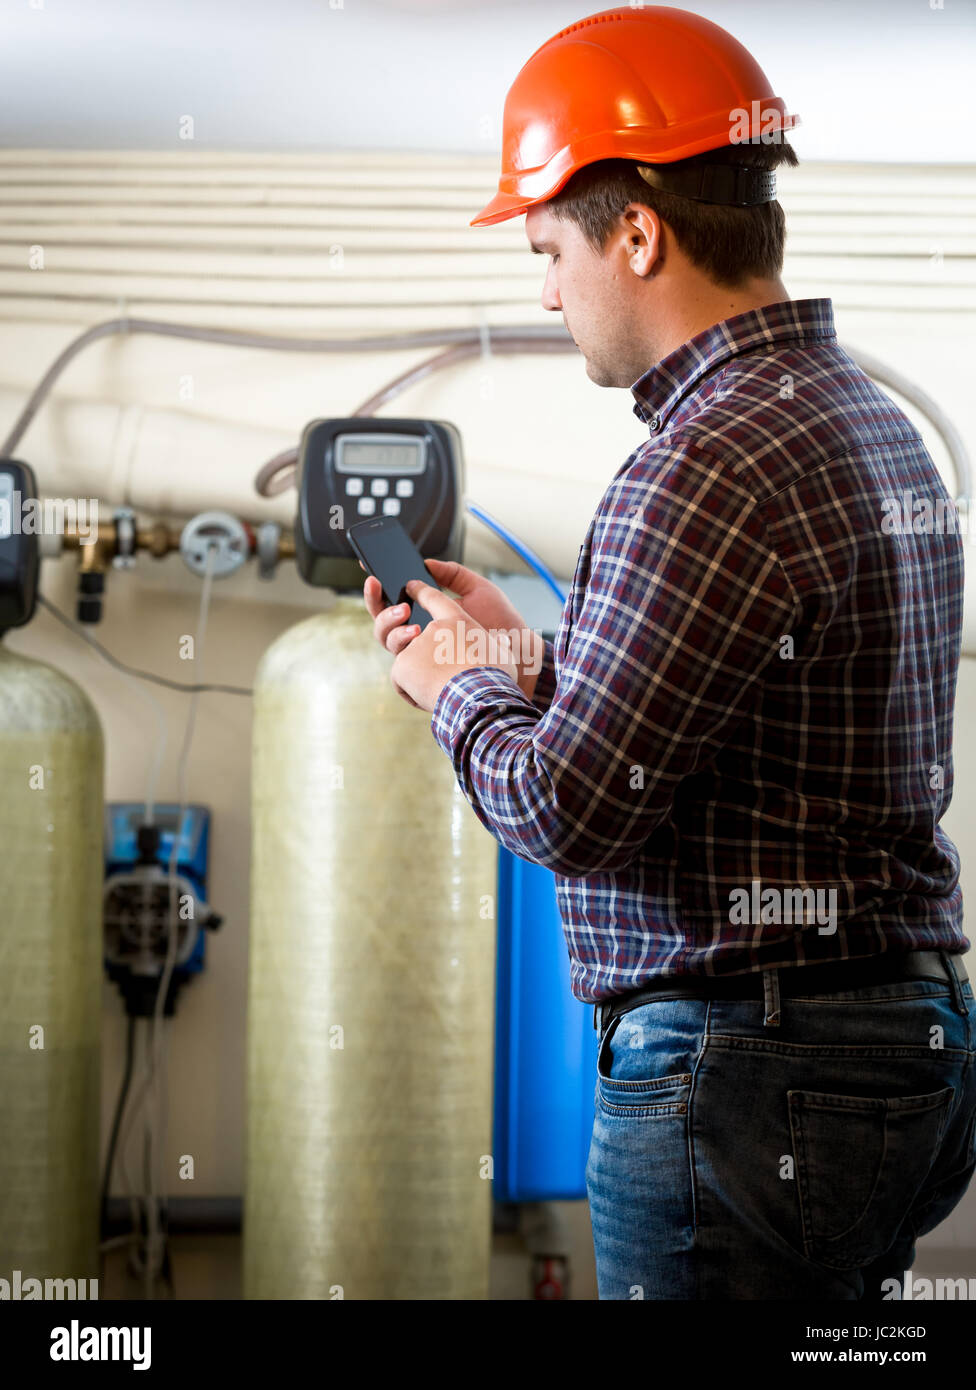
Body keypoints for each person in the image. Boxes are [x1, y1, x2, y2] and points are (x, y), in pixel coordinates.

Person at [361, 5, 975, 1300]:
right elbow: (756, 707)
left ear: (637, 230)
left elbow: (570, 807)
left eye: (547, 248)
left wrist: (449, 682)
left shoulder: (700, 462)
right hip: (885, 1050)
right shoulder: (869, 421)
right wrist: (531, 661)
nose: (543, 289)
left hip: (747, 1070)